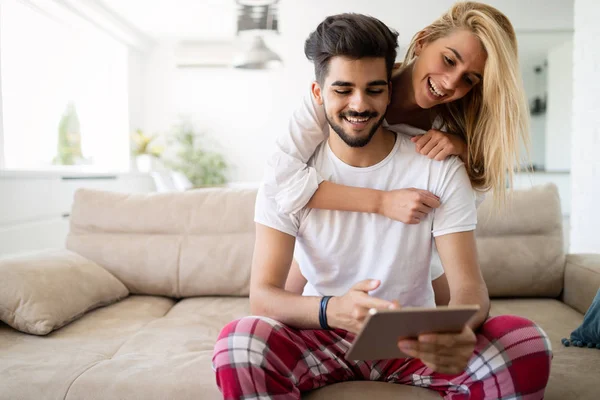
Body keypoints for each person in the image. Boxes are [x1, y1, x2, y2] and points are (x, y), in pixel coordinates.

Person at [212, 12, 551, 399]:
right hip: (325, 334)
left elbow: (470, 291)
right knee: (241, 339)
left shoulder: (438, 160)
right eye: (343, 90)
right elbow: (263, 295)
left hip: (412, 340)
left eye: (374, 89)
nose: (359, 104)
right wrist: (329, 309)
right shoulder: (289, 169)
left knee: (524, 342)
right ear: (319, 94)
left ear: (389, 89)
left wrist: (456, 329)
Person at [267, 1, 530, 303]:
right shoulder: (345, 92)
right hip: (327, 238)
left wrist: (464, 149)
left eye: (469, 79)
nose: (449, 83)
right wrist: (382, 202)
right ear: (422, 41)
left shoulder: (453, 125)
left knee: (465, 318)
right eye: (448, 60)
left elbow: (470, 193)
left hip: (408, 251)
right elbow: (280, 179)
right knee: (279, 312)